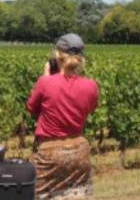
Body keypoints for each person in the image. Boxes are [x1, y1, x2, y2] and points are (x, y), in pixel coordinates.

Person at [26, 33, 99, 200]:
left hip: (51, 153)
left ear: (57, 56)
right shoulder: (91, 85)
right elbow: (90, 108)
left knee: (41, 196)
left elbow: (31, 107)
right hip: (80, 151)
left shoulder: (46, 82)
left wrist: (46, 77)